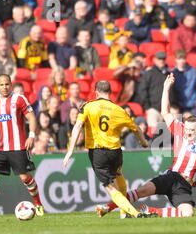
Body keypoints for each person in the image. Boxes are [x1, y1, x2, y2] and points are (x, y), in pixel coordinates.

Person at [95, 74, 196, 218]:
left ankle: (149, 210)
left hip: (184, 185)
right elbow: (165, 112)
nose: (188, 132)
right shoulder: (180, 130)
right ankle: (107, 208)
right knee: (142, 191)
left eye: (191, 130)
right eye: (187, 129)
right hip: (172, 176)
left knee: (188, 214)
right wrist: (166, 88)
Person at [62, 80, 153, 219]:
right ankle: (124, 214)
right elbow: (136, 128)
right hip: (115, 152)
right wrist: (144, 142)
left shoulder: (88, 106)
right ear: (110, 92)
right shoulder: (119, 110)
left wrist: (70, 150)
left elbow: (78, 126)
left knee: (111, 188)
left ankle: (135, 213)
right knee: (119, 178)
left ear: (96, 92)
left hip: (98, 152)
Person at [0, 74, 44, 218]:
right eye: (1, 85)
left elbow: (31, 117)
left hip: (17, 146)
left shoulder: (19, 99)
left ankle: (38, 204)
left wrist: (32, 135)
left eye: (7, 84)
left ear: (11, 84)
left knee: (24, 177)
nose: (4, 87)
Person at [136, 51, 171, 131]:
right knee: (153, 134)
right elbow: (142, 91)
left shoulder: (169, 74)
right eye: (159, 58)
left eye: (163, 59)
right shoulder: (149, 73)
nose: (161, 60)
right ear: (155, 60)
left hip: (168, 109)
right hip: (153, 109)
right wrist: (147, 107)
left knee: (171, 134)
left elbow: (172, 92)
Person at [172, 49, 196, 115]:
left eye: (183, 58)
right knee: (178, 125)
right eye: (179, 58)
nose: (181, 61)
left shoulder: (193, 71)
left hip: (192, 105)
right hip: (178, 106)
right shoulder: (173, 73)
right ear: (176, 59)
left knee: (194, 124)